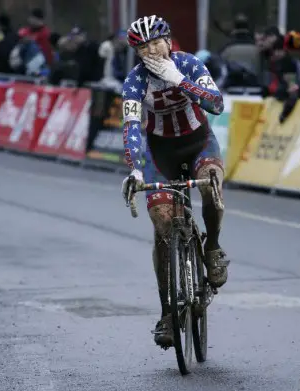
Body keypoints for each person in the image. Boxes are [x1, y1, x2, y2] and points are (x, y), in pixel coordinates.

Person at [120, 15, 229, 349]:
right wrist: (135, 169)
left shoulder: (190, 64)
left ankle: (211, 247)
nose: (152, 51)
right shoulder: (135, 81)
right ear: (137, 54)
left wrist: (180, 80)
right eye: (144, 48)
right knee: (164, 226)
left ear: (169, 41)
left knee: (211, 184)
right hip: (159, 153)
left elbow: (216, 104)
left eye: (157, 43)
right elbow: (131, 128)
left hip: (198, 144)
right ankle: (168, 313)